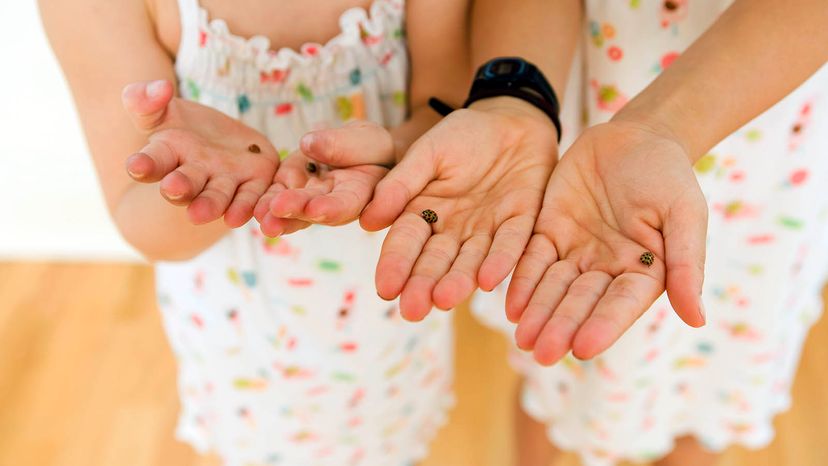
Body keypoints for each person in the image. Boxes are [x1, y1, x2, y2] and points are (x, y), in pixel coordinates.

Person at [263, 0, 828, 465]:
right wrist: (516, 99)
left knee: (701, 384)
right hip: (566, 83)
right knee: (554, 383)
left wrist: (661, 127)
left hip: (753, 113)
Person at [40, 0, 472, 464]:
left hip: (385, 297)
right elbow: (139, 218)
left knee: (385, 437)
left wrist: (395, 151)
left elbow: (443, 103)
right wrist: (194, 189)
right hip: (240, 325)